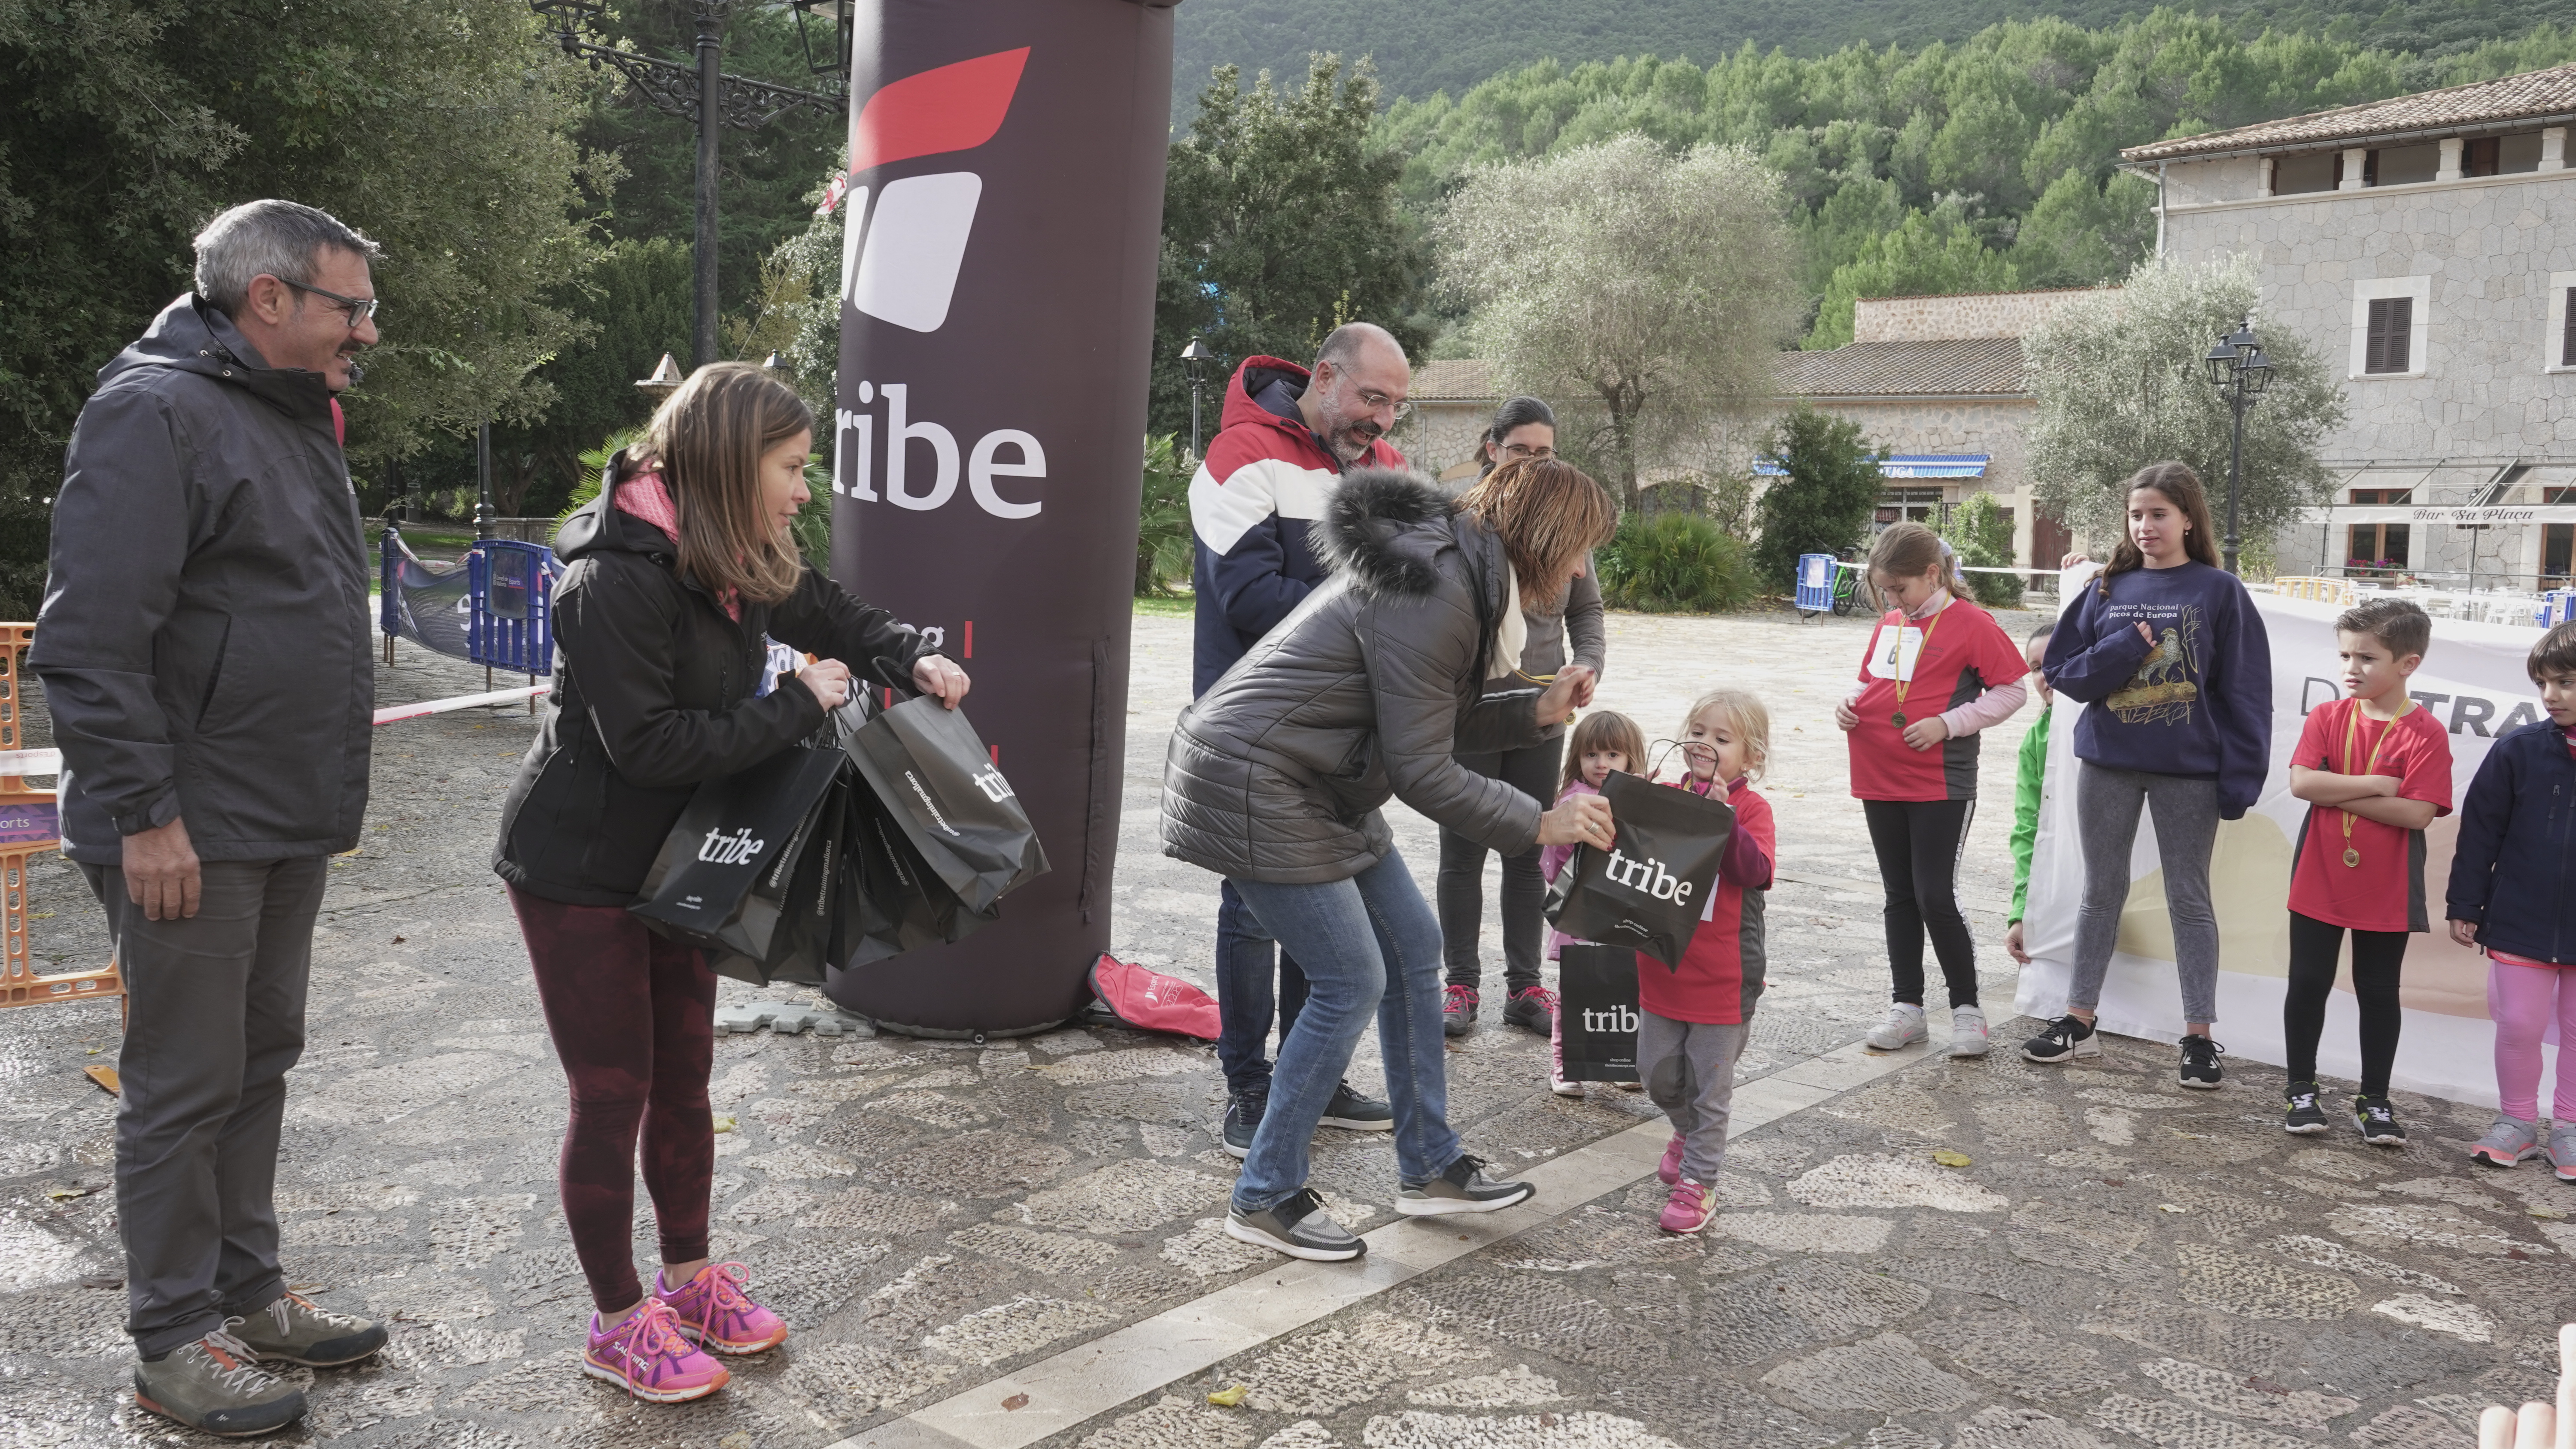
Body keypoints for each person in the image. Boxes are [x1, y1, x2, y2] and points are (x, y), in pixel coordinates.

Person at [492, 363, 970, 1402]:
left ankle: (692, 1275)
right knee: (613, 1090)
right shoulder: (611, 580)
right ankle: (618, 1320)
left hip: (682, 861)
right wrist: (801, 702)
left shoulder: (727, 552)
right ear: (726, 460)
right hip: (578, 869)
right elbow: (653, 746)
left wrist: (906, 654)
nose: (804, 491)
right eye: (791, 468)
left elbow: (827, 610)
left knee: (687, 1076)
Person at [35, 199, 390, 1437]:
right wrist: (143, 814)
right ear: (271, 299)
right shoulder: (154, 412)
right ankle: (172, 1340)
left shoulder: (284, 414)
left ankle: (250, 1296)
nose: (370, 330)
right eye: (352, 306)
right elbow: (88, 642)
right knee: (184, 1083)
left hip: (278, 809)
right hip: (188, 827)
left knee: (257, 1060)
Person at [1163, 458, 1619, 1261]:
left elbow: (1422, 721)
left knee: (1414, 950)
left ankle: (1430, 1166)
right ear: (1546, 539)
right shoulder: (1442, 588)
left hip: (1321, 777)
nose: (1582, 570)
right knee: (1352, 979)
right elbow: (1421, 770)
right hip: (1259, 778)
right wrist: (1542, 823)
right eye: (1579, 550)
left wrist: (1532, 708)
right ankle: (1264, 1192)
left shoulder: (1461, 576)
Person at [1188, 322, 1408, 1156]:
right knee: (1251, 910)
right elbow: (1246, 594)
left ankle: (1307, 1073)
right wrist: (1362, 597)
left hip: (1342, 732)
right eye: (1371, 397)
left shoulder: (1387, 470)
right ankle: (1248, 1088)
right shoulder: (1240, 455)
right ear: (1324, 376)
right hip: (1247, 729)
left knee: (1319, 905)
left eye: (1394, 404)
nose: (1382, 419)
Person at [2020, 463, 2272, 1087]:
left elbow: (2246, 692)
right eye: (2137, 515)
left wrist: (2241, 778)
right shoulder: (2108, 588)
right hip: (2107, 765)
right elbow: (2065, 673)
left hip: (2189, 774)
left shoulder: (2220, 591)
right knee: (2100, 892)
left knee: (2190, 898)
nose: (2146, 526)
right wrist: (2127, 647)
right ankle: (2078, 1019)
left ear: (2188, 518)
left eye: (2159, 514)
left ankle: (2199, 1037)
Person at [1439, 397, 1605, 1041]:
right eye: (1521, 452)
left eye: (1546, 454)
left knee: (1530, 848)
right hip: (1475, 712)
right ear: (1493, 450)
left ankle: (1525, 986)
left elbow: (1586, 613)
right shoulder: (1466, 524)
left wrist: (1587, 663)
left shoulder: (1568, 523)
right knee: (1463, 852)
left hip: (1543, 714)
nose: (1534, 465)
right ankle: (1460, 984)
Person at [1835, 522, 2028, 1059]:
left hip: (1941, 781)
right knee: (1899, 895)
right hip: (1879, 773)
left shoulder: (1971, 623)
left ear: (1933, 574)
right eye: (1885, 591)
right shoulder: (1892, 624)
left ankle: (1967, 1010)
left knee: (1935, 895)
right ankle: (1908, 1009)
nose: (1892, 601)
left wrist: (1950, 723)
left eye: (1900, 589)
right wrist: (1849, 703)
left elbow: (2012, 690)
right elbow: (1871, 682)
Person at [2278, 599, 2448, 1145]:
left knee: (2378, 991)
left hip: (2387, 885)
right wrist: (2378, 785)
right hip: (2320, 874)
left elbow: (2417, 812)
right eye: (2345, 655)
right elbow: (2304, 784)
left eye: (2367, 657)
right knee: (2308, 983)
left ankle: (2374, 1099)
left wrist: (2339, 790)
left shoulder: (2425, 734)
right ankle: (2301, 1090)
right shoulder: (2329, 717)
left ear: (2408, 663)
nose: (2351, 668)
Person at [1643, 689, 1777, 1234]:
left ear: (1751, 758)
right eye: (1698, 731)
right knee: (1655, 1073)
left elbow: (1755, 871)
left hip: (1723, 975)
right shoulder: (1667, 795)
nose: (1704, 743)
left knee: (1709, 1086)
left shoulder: (1751, 808)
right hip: (1663, 965)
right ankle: (1687, 1131)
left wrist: (1723, 816)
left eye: (1722, 738)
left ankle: (1700, 1184)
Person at [2448, 621, 2576, 1177]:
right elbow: (2480, 833)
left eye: (2567, 682)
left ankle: (2569, 1129)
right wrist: (2466, 905)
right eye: (2544, 683)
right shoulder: (2516, 751)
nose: (2552, 696)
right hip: (2519, 920)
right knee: (2520, 1024)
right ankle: (2517, 1124)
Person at [1539, 709, 1649, 1096]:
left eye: (1613, 755)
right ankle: (1564, 1063)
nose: (1601, 764)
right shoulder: (1574, 802)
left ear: (1631, 757)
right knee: (1577, 989)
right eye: (1592, 755)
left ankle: (1616, 1063)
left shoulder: (1640, 795)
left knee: (1622, 987)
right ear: (1578, 758)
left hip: (1624, 915)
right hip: (1584, 912)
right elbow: (1557, 859)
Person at [2004, 623, 2056, 968]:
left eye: (2056, 660)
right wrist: (2021, 914)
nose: (2045, 675)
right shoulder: (2035, 741)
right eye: (2036, 668)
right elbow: (2027, 829)